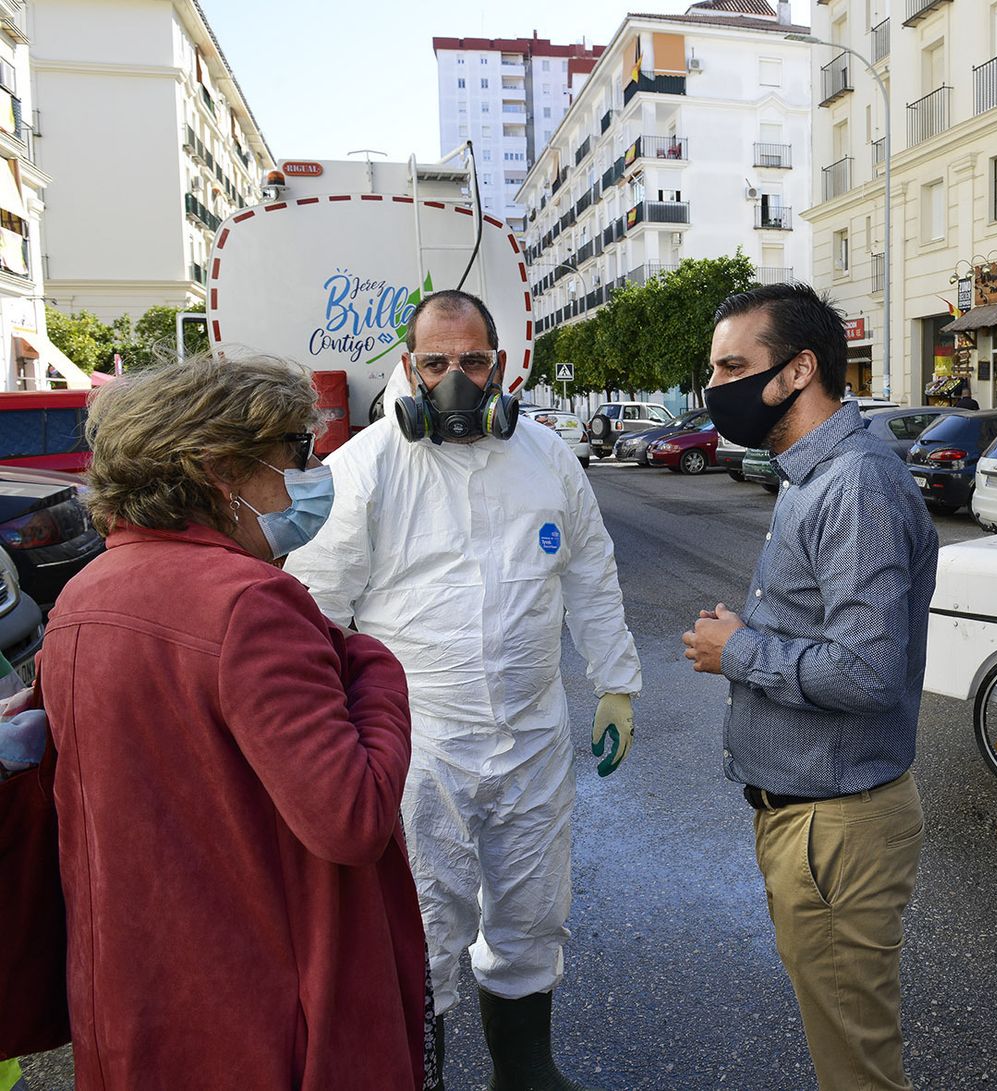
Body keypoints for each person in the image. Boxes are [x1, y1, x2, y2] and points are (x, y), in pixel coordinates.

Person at [287, 289, 642, 1091]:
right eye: (438, 362)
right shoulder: (366, 466)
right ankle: (423, 1074)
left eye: (472, 360)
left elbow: (590, 572)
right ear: (408, 370)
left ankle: (525, 1070)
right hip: (417, 746)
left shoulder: (548, 457)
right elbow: (317, 614)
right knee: (419, 921)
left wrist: (616, 682)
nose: (457, 378)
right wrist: (330, 745)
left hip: (532, 737)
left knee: (531, 909)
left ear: (502, 366)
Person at [38, 355, 425, 1089]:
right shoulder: (250, 603)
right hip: (264, 1016)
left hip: (135, 1007)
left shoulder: (80, 598)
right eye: (291, 451)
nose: (306, 473)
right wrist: (371, 662)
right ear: (220, 469)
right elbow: (352, 814)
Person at [682, 283, 938, 1091]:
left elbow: (866, 670)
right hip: (812, 820)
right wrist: (752, 639)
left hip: (838, 830)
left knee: (856, 1067)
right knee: (845, 1047)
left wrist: (742, 651)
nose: (714, 385)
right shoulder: (808, 474)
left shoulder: (853, 483)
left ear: (798, 370)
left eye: (732, 365)